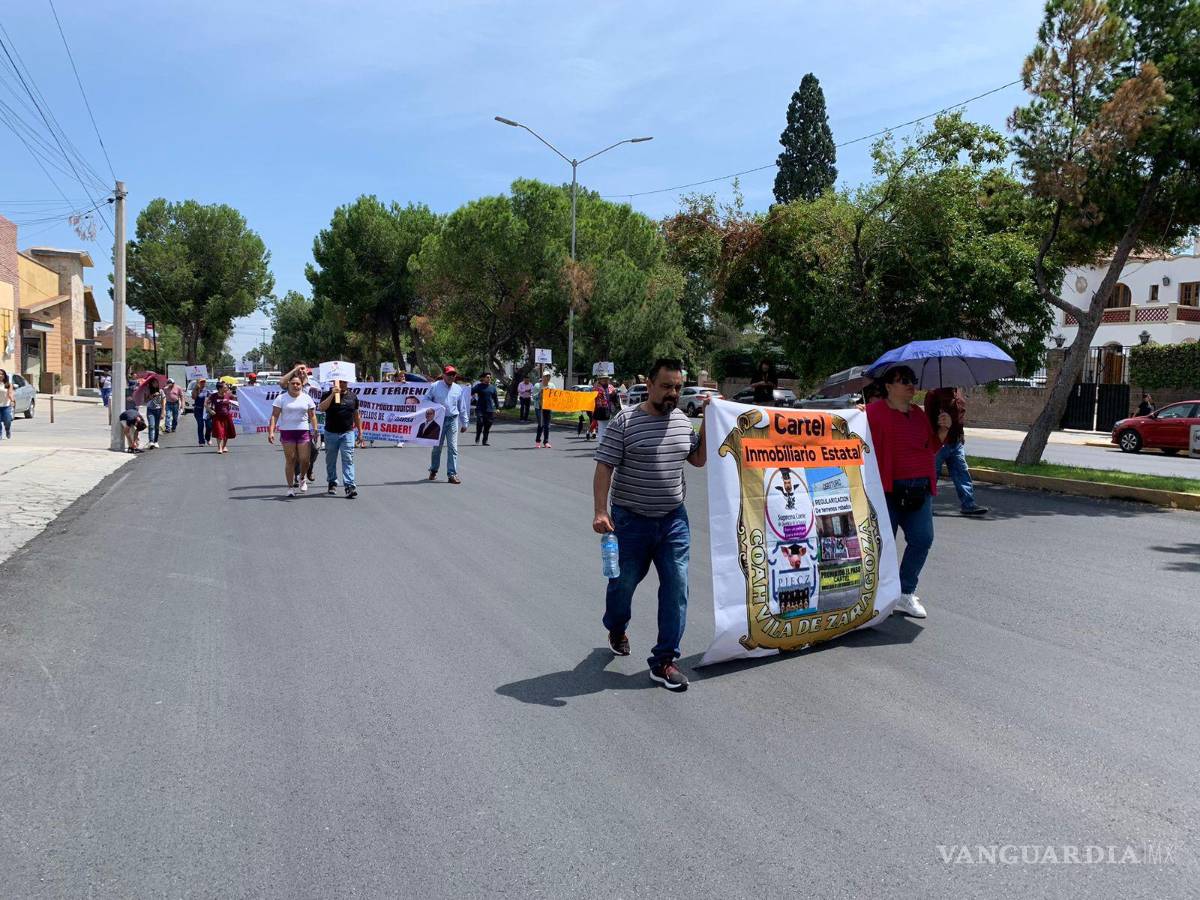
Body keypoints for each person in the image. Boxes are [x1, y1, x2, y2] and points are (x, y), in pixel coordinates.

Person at [592, 358, 708, 691]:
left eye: (678, 387)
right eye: (667, 386)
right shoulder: (625, 422)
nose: (673, 392)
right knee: (623, 585)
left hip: (673, 521)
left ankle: (664, 661)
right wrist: (601, 511)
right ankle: (616, 627)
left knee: (677, 586)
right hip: (631, 520)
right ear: (651, 384)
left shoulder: (684, 421)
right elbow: (604, 467)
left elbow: (697, 460)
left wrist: (710, 423)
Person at [865, 364, 951, 620]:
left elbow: (930, 447)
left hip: (919, 490)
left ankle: (905, 591)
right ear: (889, 387)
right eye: (903, 380)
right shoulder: (873, 412)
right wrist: (857, 414)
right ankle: (880, 594)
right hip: (888, 492)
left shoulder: (919, 413)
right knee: (884, 545)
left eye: (912, 379)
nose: (910, 384)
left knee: (923, 539)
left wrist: (943, 430)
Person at [924, 387, 988, 517]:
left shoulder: (957, 391)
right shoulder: (933, 393)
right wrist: (935, 438)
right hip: (940, 442)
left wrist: (961, 434)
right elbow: (928, 418)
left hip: (956, 442)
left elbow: (960, 415)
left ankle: (968, 504)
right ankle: (925, 508)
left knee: (962, 473)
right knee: (931, 476)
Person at [268, 374, 319, 498]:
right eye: (293, 384)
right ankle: (290, 487)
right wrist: (271, 431)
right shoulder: (281, 398)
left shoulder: (306, 398)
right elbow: (275, 415)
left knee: (305, 460)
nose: (295, 386)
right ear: (288, 385)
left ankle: (302, 478)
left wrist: (315, 429)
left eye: (298, 384)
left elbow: (312, 415)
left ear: (302, 385)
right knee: (290, 460)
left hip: (303, 432)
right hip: (287, 432)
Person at [319, 378, 362, 498]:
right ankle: (332, 482)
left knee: (348, 458)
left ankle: (349, 485)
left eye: (344, 382)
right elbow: (321, 408)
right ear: (334, 383)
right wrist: (333, 394)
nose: (342, 384)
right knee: (331, 460)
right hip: (331, 433)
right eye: (340, 382)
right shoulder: (327, 395)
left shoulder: (353, 396)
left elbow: (356, 415)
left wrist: (360, 431)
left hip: (347, 433)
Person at [428, 365, 470, 483]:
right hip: (438, 420)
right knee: (437, 448)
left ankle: (452, 474)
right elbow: (426, 400)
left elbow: (462, 406)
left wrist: (465, 422)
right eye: (449, 374)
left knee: (453, 448)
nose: (452, 376)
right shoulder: (434, 386)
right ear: (444, 375)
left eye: (453, 374)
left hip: (452, 420)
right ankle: (433, 470)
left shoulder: (457, 389)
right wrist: (435, 409)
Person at [208, 382, 238, 454]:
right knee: (219, 432)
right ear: (220, 389)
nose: (226, 389)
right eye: (225, 387)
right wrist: (210, 410)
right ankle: (219, 448)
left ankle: (224, 446)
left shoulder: (228, 395)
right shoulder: (214, 396)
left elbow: (236, 400)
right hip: (217, 417)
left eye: (226, 387)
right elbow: (206, 403)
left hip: (227, 416)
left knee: (226, 432)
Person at [592, 374, 622, 444]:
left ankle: (606, 442)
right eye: (603, 379)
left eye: (606, 379)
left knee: (608, 427)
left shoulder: (610, 387)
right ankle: (601, 443)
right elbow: (594, 397)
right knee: (602, 427)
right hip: (600, 409)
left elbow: (613, 397)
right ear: (599, 380)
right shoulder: (596, 388)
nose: (605, 380)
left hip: (610, 409)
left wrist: (614, 394)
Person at [472, 372, 499, 445]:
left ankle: (485, 441)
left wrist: (497, 408)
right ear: (483, 378)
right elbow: (471, 391)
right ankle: (478, 436)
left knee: (488, 425)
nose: (489, 378)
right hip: (480, 408)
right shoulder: (479, 386)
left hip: (490, 409)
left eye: (490, 377)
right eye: (487, 377)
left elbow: (495, 398)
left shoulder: (492, 387)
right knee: (480, 423)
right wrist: (468, 387)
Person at [532, 371, 553, 448]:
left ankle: (546, 442)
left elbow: (555, 396)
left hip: (548, 407)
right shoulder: (537, 385)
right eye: (545, 376)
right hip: (539, 408)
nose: (547, 378)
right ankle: (538, 441)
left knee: (547, 425)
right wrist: (540, 392)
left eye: (548, 376)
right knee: (541, 424)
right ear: (543, 377)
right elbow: (534, 397)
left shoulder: (552, 385)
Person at [143, 378, 165, 449]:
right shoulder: (147, 390)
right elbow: (145, 401)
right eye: (153, 383)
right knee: (151, 425)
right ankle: (151, 441)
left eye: (156, 382)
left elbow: (163, 402)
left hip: (158, 410)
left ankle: (156, 441)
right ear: (151, 384)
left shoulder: (161, 391)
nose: (155, 384)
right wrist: (151, 396)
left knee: (156, 427)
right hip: (150, 410)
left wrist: (163, 412)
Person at [191, 377, 213, 446]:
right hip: (198, 410)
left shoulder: (207, 390)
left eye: (204, 382)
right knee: (200, 425)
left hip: (206, 410)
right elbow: (194, 397)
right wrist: (197, 389)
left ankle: (208, 438)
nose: (203, 383)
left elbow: (211, 398)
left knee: (209, 426)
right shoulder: (195, 390)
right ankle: (201, 441)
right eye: (201, 382)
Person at [0, 370, 13, 440]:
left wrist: (12, 400)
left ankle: (7, 430)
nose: (0, 375)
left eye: (2, 374)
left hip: (6, 405)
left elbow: (10, 393)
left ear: (4, 375)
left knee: (7, 420)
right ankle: (0, 434)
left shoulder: (8, 384)